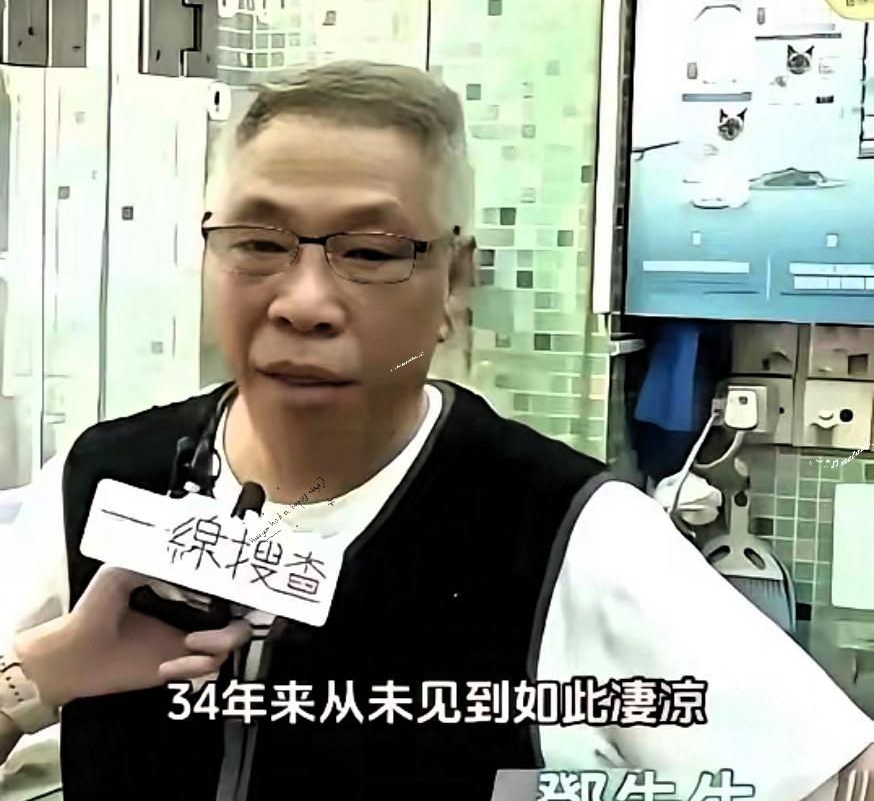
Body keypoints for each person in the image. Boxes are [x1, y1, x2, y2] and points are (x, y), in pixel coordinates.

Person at [1, 60, 872, 801]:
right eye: (259, 244)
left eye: (371, 253)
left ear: (453, 282)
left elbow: (835, 776)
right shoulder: (102, 479)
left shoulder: (565, 531)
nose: (304, 302)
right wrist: (41, 677)